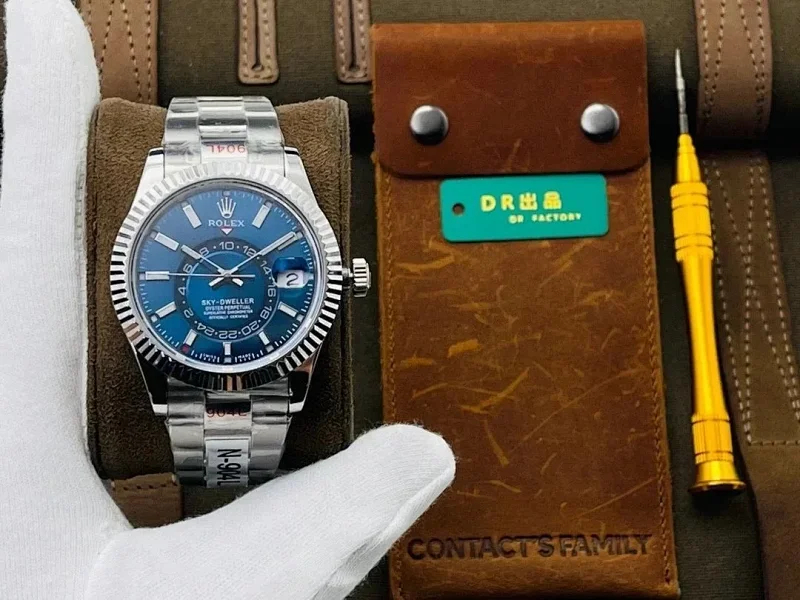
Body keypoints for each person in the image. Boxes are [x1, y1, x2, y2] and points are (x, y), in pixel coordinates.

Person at [0, 0, 455, 597]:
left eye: (236, 273)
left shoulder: (243, 222)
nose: (226, 278)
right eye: (217, 274)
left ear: (345, 277)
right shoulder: (191, 230)